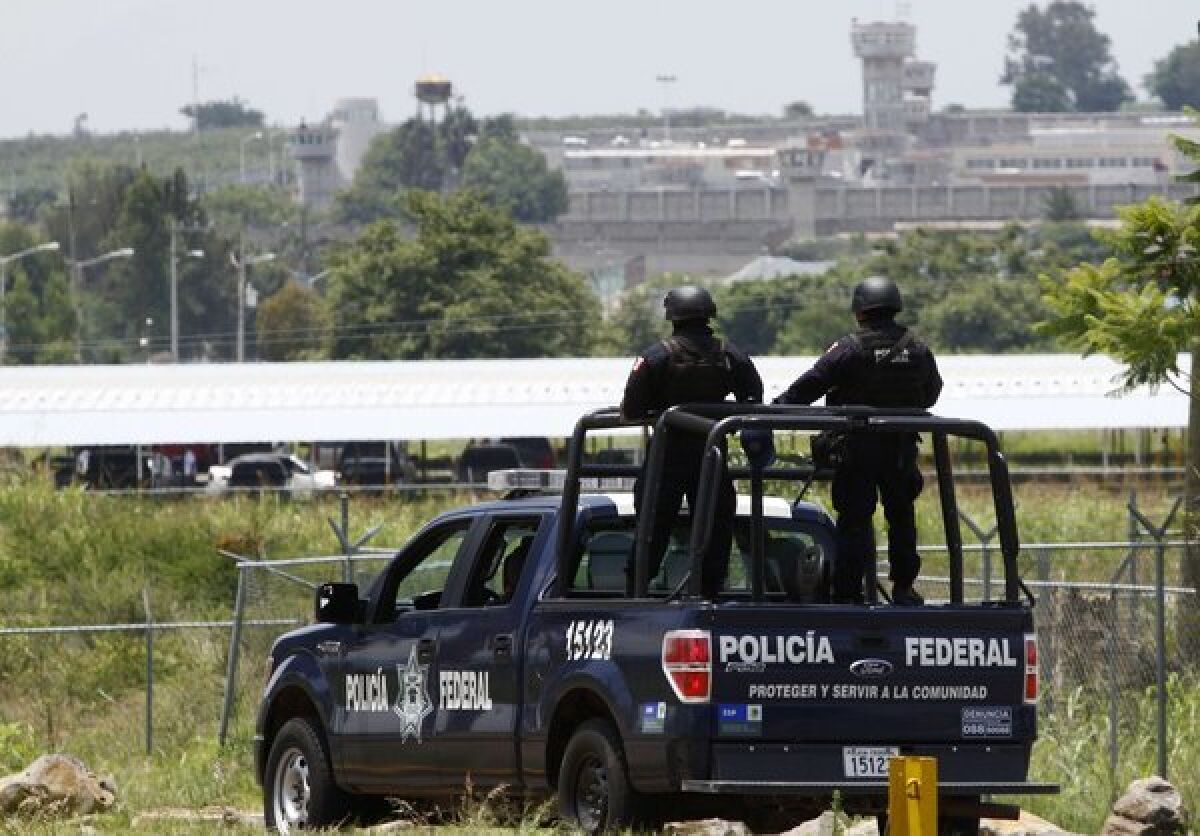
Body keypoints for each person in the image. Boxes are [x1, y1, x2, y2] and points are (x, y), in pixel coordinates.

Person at [774, 276, 942, 606]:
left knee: (854, 520)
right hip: (899, 449)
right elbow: (932, 393)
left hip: (857, 449)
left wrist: (776, 410)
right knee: (901, 517)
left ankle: (849, 593)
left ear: (860, 310)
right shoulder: (918, 348)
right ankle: (904, 588)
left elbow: (811, 384)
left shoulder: (850, 348)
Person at [621, 285, 763, 598]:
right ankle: (709, 595)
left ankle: (636, 595)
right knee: (715, 528)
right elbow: (753, 399)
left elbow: (630, 410)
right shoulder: (730, 354)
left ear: (672, 316)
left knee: (651, 530)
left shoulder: (657, 356)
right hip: (711, 455)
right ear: (708, 314)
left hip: (665, 458)